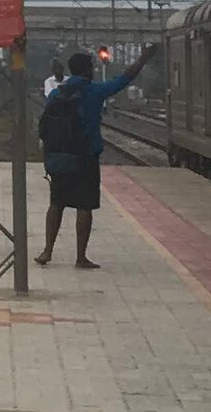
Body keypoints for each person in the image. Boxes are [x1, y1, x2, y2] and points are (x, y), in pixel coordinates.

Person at [34, 42, 158, 270]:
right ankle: (80, 257)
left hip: (59, 157)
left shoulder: (56, 93)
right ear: (87, 71)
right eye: (91, 67)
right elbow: (124, 79)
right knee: (84, 206)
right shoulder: (94, 91)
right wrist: (143, 58)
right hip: (85, 156)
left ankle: (47, 251)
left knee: (56, 204)